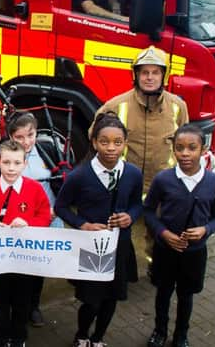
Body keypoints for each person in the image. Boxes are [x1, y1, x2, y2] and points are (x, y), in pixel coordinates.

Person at [91, 45, 189, 266]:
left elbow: (184, 142)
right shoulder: (116, 105)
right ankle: (113, 274)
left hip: (162, 187)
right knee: (116, 233)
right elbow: (94, 135)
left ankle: (157, 268)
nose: (149, 77)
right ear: (135, 75)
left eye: (155, 72)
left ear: (164, 75)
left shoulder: (178, 106)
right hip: (124, 187)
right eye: (144, 72)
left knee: (161, 236)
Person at [55, 112, 143, 347]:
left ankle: (98, 338)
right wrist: (82, 224)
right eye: (104, 142)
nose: (111, 148)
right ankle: (82, 335)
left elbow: (137, 204)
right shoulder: (79, 176)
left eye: (118, 142)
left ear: (125, 144)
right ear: (94, 143)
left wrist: (130, 217)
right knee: (91, 300)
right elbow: (61, 206)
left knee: (111, 298)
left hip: (119, 246)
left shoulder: (133, 173)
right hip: (92, 249)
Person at [144, 124, 215, 347]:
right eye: (179, 148)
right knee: (163, 292)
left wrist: (205, 230)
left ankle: (181, 334)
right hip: (165, 250)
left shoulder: (214, 183)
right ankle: (159, 331)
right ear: (173, 149)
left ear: (203, 149)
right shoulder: (163, 179)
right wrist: (163, 233)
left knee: (186, 295)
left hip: (195, 253)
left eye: (192, 148)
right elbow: (149, 211)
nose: (185, 153)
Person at [0, 139, 51, 347]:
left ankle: (19, 338)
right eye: (7, 162)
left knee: (22, 302)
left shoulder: (35, 189)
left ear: (24, 164)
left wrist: (28, 223)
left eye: (17, 163)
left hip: (24, 260)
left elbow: (45, 216)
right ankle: (2, 337)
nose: (11, 168)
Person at [6, 111, 61, 327]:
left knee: (39, 267)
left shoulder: (48, 150)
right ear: (11, 137)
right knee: (18, 268)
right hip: (18, 223)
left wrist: (56, 209)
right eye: (19, 137)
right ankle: (16, 305)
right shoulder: (5, 155)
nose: (26, 141)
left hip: (48, 219)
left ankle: (34, 305)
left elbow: (64, 181)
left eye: (30, 135)